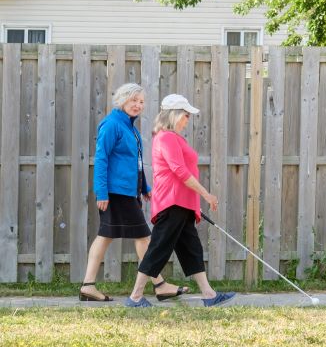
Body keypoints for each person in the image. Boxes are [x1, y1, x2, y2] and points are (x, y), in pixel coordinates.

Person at [125, 94, 235, 307]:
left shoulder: (175, 138)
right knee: (158, 248)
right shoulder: (165, 137)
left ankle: (209, 295)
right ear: (174, 115)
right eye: (185, 115)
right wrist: (206, 194)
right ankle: (135, 297)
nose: (187, 120)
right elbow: (179, 170)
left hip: (182, 204)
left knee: (192, 248)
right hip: (171, 202)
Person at [80, 83, 188, 302]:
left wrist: (144, 186)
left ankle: (88, 286)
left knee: (107, 236)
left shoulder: (130, 127)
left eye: (141, 102)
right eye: (133, 100)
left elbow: (135, 162)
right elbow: (101, 159)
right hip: (116, 193)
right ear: (122, 100)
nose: (138, 105)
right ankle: (159, 284)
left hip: (129, 192)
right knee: (143, 237)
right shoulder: (111, 125)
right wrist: (101, 192)